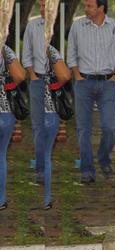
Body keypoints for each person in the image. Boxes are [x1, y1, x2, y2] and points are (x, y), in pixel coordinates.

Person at [66, 0, 115, 184]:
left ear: (101, 8)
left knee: (110, 127)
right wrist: (77, 76)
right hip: (83, 83)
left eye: (89, 5)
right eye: (85, 5)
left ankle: (103, 159)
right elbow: (72, 54)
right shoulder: (77, 26)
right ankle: (87, 169)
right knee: (83, 129)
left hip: (108, 83)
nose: (86, 8)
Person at [38, 45, 69, 209]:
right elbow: (64, 75)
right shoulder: (50, 51)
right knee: (46, 154)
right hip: (50, 110)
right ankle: (46, 199)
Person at [21, 0, 47, 183]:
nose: (43, 9)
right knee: (38, 126)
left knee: (52, 124)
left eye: (47, 5)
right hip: (38, 80)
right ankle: (40, 168)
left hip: (60, 83)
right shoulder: (32, 25)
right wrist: (32, 74)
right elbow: (27, 54)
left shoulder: (65, 26)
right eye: (41, 6)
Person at [0, 44, 25, 210]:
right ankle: (1, 199)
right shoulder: (4, 49)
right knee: (1, 155)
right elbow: (20, 76)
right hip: (5, 111)